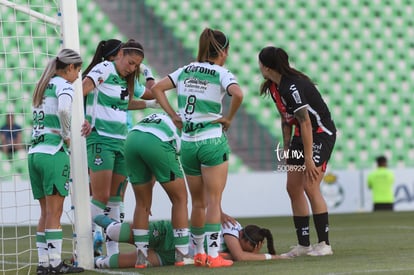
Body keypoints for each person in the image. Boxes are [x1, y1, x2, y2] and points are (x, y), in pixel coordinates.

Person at [151, 27, 244, 268]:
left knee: (198, 202)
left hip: (189, 143)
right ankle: (214, 255)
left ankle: (199, 252)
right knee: (214, 201)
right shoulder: (221, 72)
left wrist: (173, 115)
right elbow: (238, 94)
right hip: (212, 140)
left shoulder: (185, 70)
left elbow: (156, 89)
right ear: (223, 51)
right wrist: (229, 118)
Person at [258, 46, 336, 257]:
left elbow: (306, 123)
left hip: (320, 133)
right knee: (293, 188)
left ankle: (324, 244)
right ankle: (304, 245)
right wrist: (286, 149)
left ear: (266, 66)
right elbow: (286, 119)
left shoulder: (292, 86)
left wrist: (308, 159)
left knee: (310, 185)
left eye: (259, 64)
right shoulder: (274, 87)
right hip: (300, 137)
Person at [82, 38, 157, 257]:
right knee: (101, 196)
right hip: (100, 140)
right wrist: (81, 119)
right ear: (121, 53)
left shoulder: (128, 80)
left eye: (136, 65)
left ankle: (111, 251)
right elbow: (81, 90)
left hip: (121, 141)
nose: (132, 68)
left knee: (116, 199)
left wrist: (148, 74)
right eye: (130, 63)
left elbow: (152, 93)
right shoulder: (104, 68)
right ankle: (86, 245)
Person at [28, 48, 84, 274]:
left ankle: (44, 264)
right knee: (55, 212)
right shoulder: (63, 85)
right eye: (78, 70)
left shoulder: (43, 85)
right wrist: (67, 134)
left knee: (45, 212)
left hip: (34, 153)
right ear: (69, 68)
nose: (78, 76)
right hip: (53, 151)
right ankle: (55, 263)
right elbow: (63, 109)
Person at [92, 214, 288, 268]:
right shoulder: (233, 227)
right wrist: (273, 257)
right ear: (251, 242)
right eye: (252, 248)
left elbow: (236, 255)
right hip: (172, 234)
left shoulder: (234, 248)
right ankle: (100, 219)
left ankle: (96, 261)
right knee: (118, 232)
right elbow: (240, 255)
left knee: (126, 262)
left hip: (174, 255)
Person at [124, 112, 190, 267]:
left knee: (142, 204)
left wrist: (149, 191)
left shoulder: (166, 113)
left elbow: (151, 165)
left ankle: (141, 257)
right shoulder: (193, 125)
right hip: (158, 141)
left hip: (132, 139)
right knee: (180, 199)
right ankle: (181, 255)